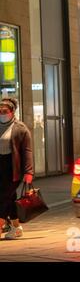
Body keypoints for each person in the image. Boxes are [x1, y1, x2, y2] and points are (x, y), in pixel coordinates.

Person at [0, 98, 33, 239]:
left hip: (13, 168)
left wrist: (28, 172)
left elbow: (27, 151)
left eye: (4, 111)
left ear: (12, 112)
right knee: (10, 198)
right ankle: (16, 228)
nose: (1, 113)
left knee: (3, 197)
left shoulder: (20, 128)